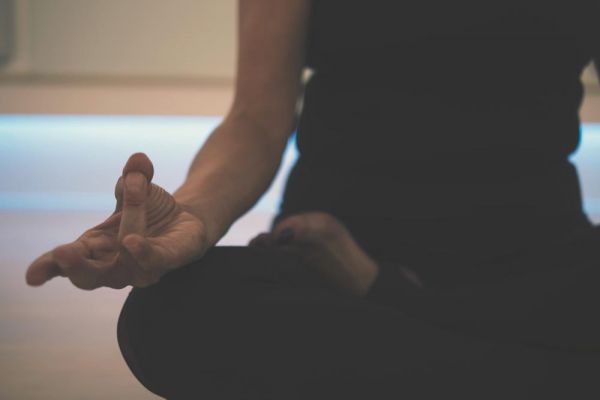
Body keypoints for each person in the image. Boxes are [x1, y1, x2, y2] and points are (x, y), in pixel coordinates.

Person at [26, 1, 600, 398]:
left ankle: (390, 308)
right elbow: (255, 118)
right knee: (170, 318)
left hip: (532, 263)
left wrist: (383, 291)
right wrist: (195, 216)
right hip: (325, 258)